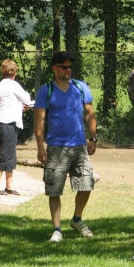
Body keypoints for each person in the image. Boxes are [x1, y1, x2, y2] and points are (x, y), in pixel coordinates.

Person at [34, 52, 98, 243]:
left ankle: (77, 219)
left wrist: (93, 138)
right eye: (64, 67)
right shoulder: (46, 91)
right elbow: (39, 120)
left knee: (87, 184)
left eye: (70, 67)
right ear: (54, 69)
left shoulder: (80, 87)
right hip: (56, 148)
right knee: (54, 190)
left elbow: (90, 113)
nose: (68, 70)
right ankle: (57, 229)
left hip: (79, 146)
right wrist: (40, 146)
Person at [0, 58, 33, 195]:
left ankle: (9, 185)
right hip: (8, 123)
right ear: (14, 71)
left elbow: (6, 104)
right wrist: (24, 103)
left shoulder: (0, 85)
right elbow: (26, 99)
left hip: (2, 122)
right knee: (5, 154)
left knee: (10, 154)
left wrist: (19, 107)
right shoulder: (13, 85)